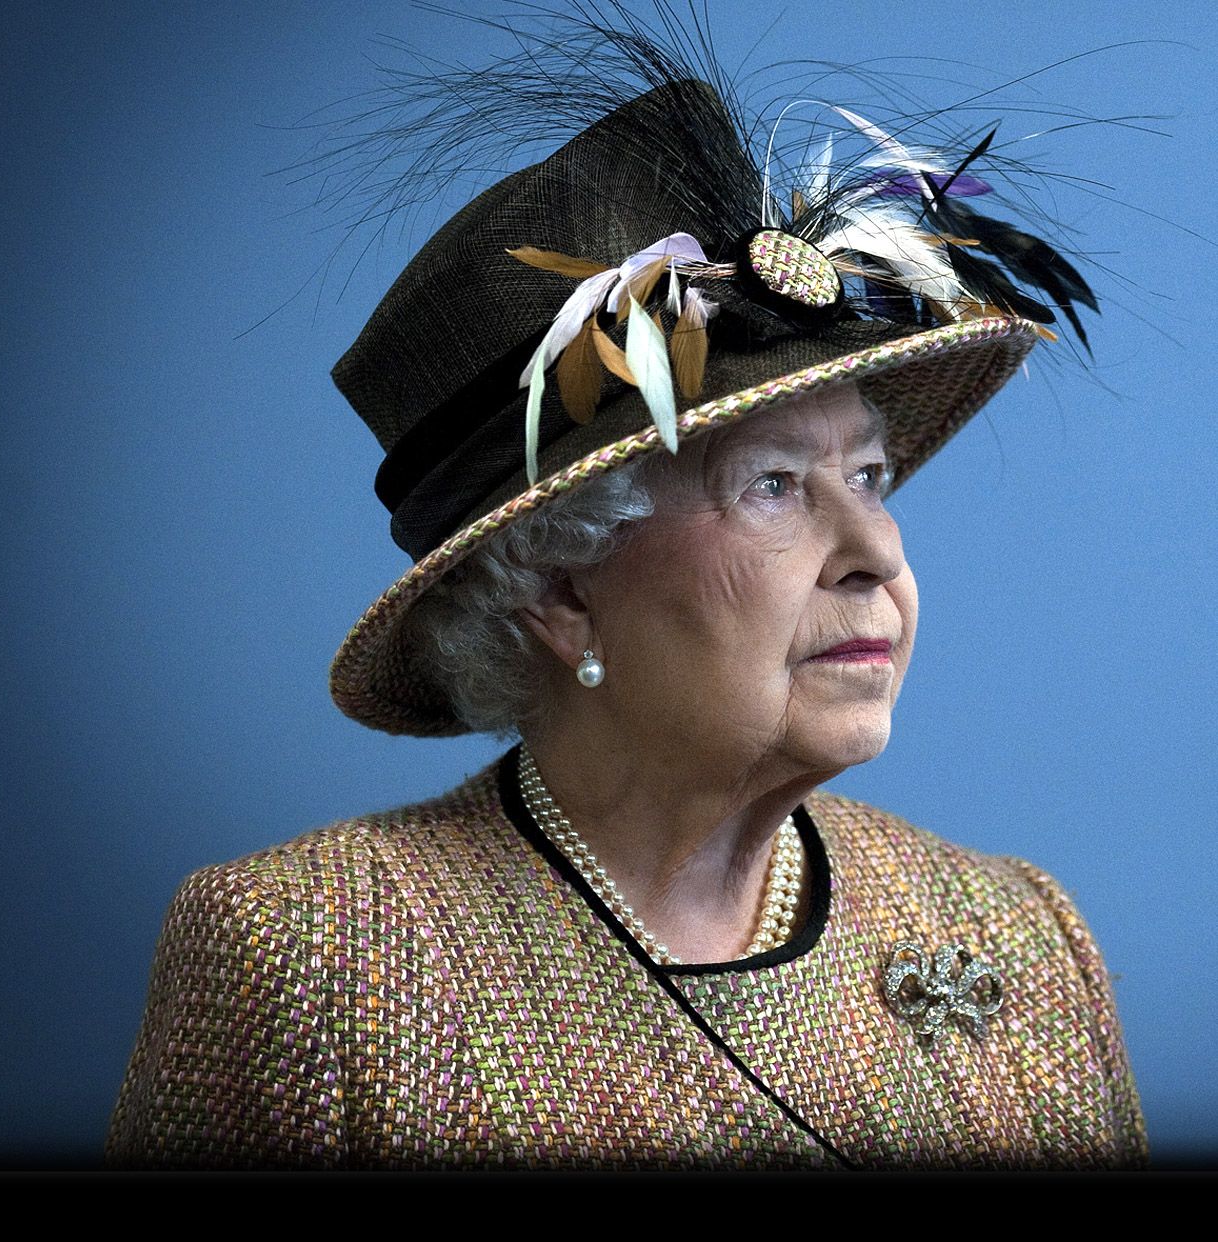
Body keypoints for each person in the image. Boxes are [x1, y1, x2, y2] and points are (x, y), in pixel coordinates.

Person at [104, 18, 1147, 1170]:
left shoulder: (1017, 937)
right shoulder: (315, 961)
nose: (875, 553)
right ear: (560, 591)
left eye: (868, 477)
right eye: (770, 487)